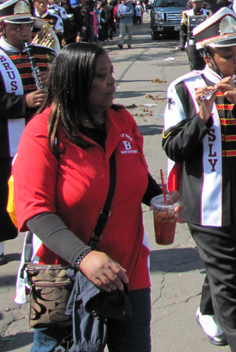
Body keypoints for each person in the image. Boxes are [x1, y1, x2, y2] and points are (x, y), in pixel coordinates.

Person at [14, 43, 159, 352]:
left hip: (128, 274)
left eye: (111, 73)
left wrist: (160, 199)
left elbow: (137, 178)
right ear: (75, 82)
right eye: (101, 75)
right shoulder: (42, 132)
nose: (111, 82)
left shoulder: (123, 122)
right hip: (64, 278)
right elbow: (34, 210)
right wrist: (84, 257)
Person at [163, 9, 236, 352]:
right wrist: (201, 117)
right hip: (203, 199)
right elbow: (174, 149)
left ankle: (206, 308)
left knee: (228, 263)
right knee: (231, 278)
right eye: (228, 55)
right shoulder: (183, 89)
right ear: (207, 56)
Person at [0, 0, 56, 264]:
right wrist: (24, 102)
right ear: (2, 29)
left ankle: (40, 239)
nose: (24, 34)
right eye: (17, 29)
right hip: (4, 141)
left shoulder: (44, 54)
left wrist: (55, 83)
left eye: (27, 29)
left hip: (43, 135)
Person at [179, 0, 212, 69]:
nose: (196, 4)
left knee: (205, 63)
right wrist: (182, 43)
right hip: (192, 41)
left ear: (201, 2)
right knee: (194, 64)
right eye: (194, 2)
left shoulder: (208, 13)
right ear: (191, 3)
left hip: (204, 41)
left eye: (198, 2)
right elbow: (183, 30)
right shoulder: (186, 14)